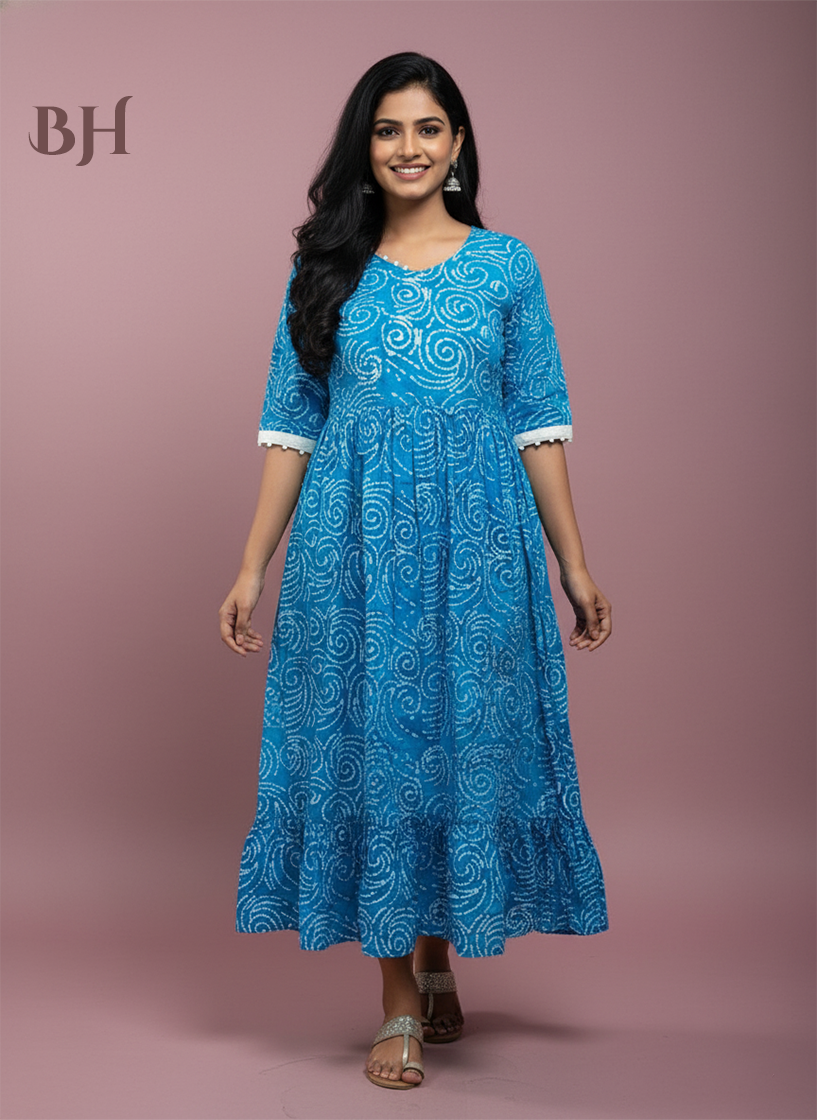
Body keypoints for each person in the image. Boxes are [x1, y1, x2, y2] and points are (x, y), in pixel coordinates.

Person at [218, 51, 611, 1091]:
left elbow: (538, 422)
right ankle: (397, 997)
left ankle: (438, 958)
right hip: (352, 551)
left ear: (458, 143)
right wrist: (252, 567)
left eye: (427, 128)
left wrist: (574, 565)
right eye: (387, 130)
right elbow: (290, 430)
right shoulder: (325, 271)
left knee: (460, 742)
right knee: (379, 749)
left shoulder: (506, 267)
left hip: (479, 547)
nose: (408, 148)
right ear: (365, 147)